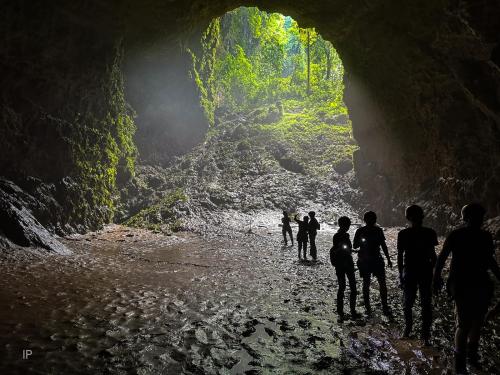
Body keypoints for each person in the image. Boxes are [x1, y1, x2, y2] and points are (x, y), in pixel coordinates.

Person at [434, 203, 500, 374]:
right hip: (473, 283)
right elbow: (490, 260)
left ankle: (465, 361)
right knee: (469, 324)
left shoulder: (458, 235)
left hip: (466, 283)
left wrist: (437, 278)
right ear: (469, 217)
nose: (480, 219)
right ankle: (463, 362)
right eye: (477, 216)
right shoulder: (481, 236)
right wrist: (436, 278)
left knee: (470, 324)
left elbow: (442, 258)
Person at [397, 205, 437, 346]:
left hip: (411, 270)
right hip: (424, 270)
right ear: (423, 216)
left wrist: (401, 274)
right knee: (425, 303)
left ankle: (409, 329)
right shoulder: (430, 232)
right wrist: (435, 273)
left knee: (408, 302)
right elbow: (433, 256)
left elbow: (400, 257)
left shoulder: (403, 234)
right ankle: (425, 335)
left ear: (407, 217)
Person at [353, 211, 393, 316]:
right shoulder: (377, 230)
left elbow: (355, 245)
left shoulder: (361, 231)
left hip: (367, 260)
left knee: (367, 283)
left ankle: (368, 307)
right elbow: (383, 245)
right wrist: (388, 259)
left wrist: (388, 258)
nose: (371, 221)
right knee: (381, 283)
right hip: (374, 260)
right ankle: (383, 306)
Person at [330, 216, 360, 321]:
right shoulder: (337, 236)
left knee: (344, 287)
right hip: (343, 265)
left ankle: (343, 310)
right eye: (347, 225)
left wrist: (352, 250)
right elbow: (339, 249)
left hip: (343, 265)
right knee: (348, 287)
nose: (347, 227)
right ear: (343, 225)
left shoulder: (344, 235)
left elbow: (345, 248)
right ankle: (346, 311)